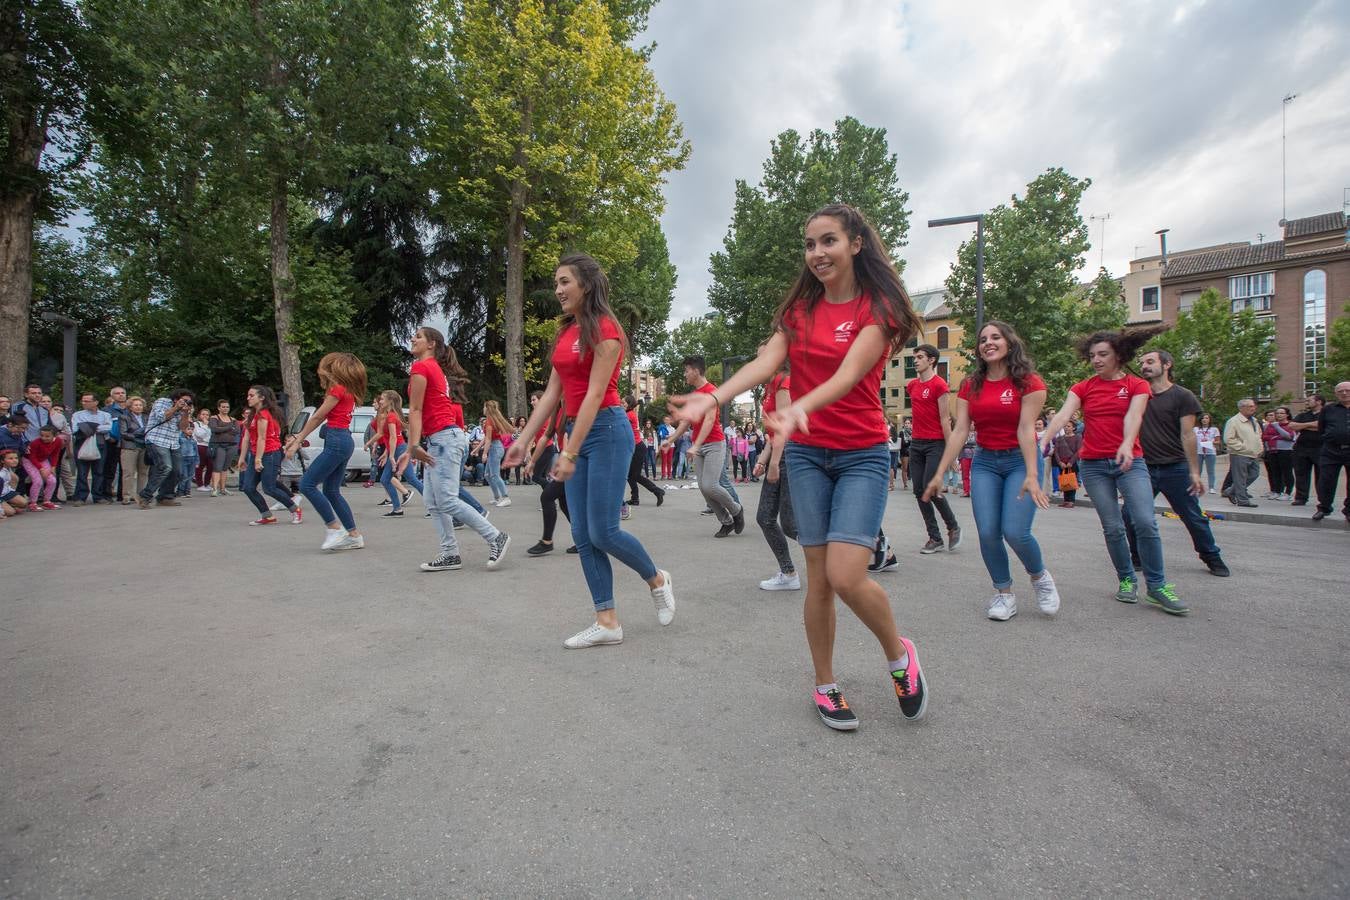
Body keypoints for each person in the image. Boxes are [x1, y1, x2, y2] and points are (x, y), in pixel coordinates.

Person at [672, 202, 928, 732]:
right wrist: (712, 398)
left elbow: (853, 372)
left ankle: (899, 655)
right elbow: (767, 363)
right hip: (809, 455)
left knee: (847, 574)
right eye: (810, 245)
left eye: (828, 241)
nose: (817, 253)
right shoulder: (798, 311)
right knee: (818, 580)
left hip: (861, 454)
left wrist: (799, 408)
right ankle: (826, 684)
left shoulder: (878, 309)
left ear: (856, 243)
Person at [503, 253, 673, 648]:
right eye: (557, 282)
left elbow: (596, 394)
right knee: (582, 533)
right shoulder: (565, 335)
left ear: (587, 285)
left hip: (608, 431)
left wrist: (570, 451)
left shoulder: (607, 329)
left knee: (604, 531)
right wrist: (524, 440)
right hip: (575, 435)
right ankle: (607, 620)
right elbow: (553, 393)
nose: (558, 290)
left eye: (565, 282)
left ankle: (658, 579)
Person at [1041, 324, 1189, 616]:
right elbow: (1062, 415)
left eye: (1103, 354)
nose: (1096, 360)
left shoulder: (1136, 385)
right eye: (1093, 355)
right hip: (1094, 466)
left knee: (1145, 521)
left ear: (1118, 356)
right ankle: (1126, 580)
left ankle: (1157, 586)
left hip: (1130, 462)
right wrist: (1044, 438)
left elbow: (1134, 416)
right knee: (1113, 527)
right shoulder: (1083, 387)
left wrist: (1125, 443)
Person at [922, 321, 1059, 621]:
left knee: (1016, 532)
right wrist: (940, 473)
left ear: (1010, 342)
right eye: (983, 339)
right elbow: (960, 431)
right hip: (985, 461)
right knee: (987, 532)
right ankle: (1004, 594)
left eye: (995, 337)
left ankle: (1040, 578)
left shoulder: (1029, 382)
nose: (988, 343)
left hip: (1019, 460)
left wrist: (1033, 476)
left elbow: (1026, 430)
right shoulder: (971, 384)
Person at [397, 327, 511, 571]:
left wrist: (413, 446)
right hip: (441, 439)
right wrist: (415, 446)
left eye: (418, 336)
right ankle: (450, 554)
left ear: (431, 345)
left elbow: (415, 410)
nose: (413, 339)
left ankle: (496, 537)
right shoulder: (432, 368)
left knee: (446, 500)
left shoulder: (421, 367)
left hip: (444, 439)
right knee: (433, 501)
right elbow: (421, 410)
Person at [1121, 350, 1230, 581]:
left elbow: (1188, 435)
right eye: (1142, 363)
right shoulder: (1138, 395)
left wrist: (1194, 472)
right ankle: (1137, 557)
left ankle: (1211, 556)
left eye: (1150, 362)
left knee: (1192, 515)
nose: (1144, 366)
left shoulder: (1183, 396)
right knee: (1129, 513)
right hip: (1144, 468)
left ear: (1167, 364)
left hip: (1175, 467)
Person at [285, 353, 367, 550]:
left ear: (333, 370)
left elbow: (317, 417)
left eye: (323, 368)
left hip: (337, 440)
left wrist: (297, 440)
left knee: (307, 484)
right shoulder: (349, 390)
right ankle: (354, 535)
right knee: (331, 490)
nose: (319, 372)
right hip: (342, 440)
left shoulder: (338, 389)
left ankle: (334, 528)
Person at [662, 356, 744, 537]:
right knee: (703, 488)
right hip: (698, 447)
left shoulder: (711, 391)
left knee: (711, 486)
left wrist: (695, 444)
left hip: (714, 444)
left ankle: (737, 510)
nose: (684, 374)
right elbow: (686, 421)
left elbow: (708, 421)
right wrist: (672, 438)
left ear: (696, 371)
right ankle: (727, 521)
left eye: (686, 370)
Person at [906, 344, 962, 553]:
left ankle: (953, 526)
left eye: (920, 357)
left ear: (931, 360)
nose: (916, 360)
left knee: (931, 487)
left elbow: (945, 420)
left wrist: (952, 454)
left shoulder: (939, 385)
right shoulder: (912, 386)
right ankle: (935, 538)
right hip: (917, 444)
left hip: (935, 443)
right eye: (915, 357)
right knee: (919, 491)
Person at [754, 364, 799, 591]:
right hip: (778, 453)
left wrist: (774, 463)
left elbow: (784, 428)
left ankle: (844, 553)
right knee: (766, 518)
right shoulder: (769, 388)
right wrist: (763, 460)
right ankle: (789, 572)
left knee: (790, 525)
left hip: (790, 454)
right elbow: (772, 436)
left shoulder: (784, 381)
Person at [239, 385, 301, 526]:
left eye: (251, 395)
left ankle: (295, 509)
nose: (248, 398)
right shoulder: (253, 415)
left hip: (270, 454)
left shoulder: (264, 415)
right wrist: (242, 458)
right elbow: (246, 438)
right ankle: (267, 516)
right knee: (248, 487)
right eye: (248, 395)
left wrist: (258, 459)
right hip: (256, 453)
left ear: (261, 398)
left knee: (269, 487)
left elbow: (262, 438)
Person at [139, 389, 195, 509]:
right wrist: (176, 408)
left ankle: (165, 497)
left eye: (189, 401)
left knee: (177, 471)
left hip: (173, 442)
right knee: (165, 467)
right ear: (177, 398)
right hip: (157, 439)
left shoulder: (185, 409)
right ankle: (145, 496)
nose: (186, 403)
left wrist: (185, 413)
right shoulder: (162, 401)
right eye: (184, 400)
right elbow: (161, 417)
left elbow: (183, 427)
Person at [372, 390, 421, 516]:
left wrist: (391, 456)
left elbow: (393, 437)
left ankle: (435, 507)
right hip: (399, 448)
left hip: (399, 449)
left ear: (390, 401)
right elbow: (390, 438)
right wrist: (386, 453)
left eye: (382, 399)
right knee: (387, 479)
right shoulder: (392, 415)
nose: (380, 401)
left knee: (410, 479)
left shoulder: (391, 416)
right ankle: (397, 508)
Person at [1312, 381, 1350, 522]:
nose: (1344, 393)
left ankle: (1349, 510)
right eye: (1341, 391)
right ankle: (1324, 508)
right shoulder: (1329, 409)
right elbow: (1321, 428)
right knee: (1326, 480)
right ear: (1336, 394)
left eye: (1347, 390)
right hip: (1331, 451)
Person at [70, 393, 113, 505]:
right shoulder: (77, 414)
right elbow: (75, 428)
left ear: (95, 402)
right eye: (83, 401)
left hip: (100, 444)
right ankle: (80, 497)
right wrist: (96, 427)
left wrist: (90, 426)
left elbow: (108, 428)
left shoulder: (105, 415)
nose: (84, 403)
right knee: (82, 472)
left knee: (99, 471)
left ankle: (98, 496)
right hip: (82, 442)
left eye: (87, 401)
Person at [1222, 399, 1263, 508]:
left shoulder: (1254, 420)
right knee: (1240, 477)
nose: (1253, 408)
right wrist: (1242, 447)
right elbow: (1228, 439)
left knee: (1254, 474)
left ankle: (1231, 491)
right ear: (1241, 408)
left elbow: (1258, 435)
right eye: (1249, 406)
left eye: (1253, 406)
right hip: (1239, 453)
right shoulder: (1234, 421)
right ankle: (1243, 500)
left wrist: (1260, 448)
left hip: (1253, 453)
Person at [624, 395, 664, 507]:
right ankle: (635, 498)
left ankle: (657, 491)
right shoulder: (630, 413)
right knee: (631, 475)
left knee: (634, 475)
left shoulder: (628, 415)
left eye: (624, 402)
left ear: (629, 404)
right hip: (636, 447)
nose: (622, 404)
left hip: (638, 448)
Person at [1288, 394, 1323, 506]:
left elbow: (1322, 425)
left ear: (1319, 402)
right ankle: (1301, 498)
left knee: (1322, 475)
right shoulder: (1303, 415)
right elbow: (1292, 426)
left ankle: (1323, 499)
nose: (1306, 402)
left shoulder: (1326, 414)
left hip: (1320, 448)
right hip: (1301, 448)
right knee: (1301, 474)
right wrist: (1310, 425)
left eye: (1309, 400)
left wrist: (1303, 426)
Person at [22, 425, 63, 509]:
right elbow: (32, 457)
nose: (44, 438)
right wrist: (41, 469)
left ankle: (47, 501)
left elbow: (55, 454)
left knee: (52, 480)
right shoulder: (35, 443)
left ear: (54, 436)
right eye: (42, 435)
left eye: (47, 436)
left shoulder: (58, 441)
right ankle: (33, 503)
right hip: (29, 460)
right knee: (38, 481)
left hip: (43, 459)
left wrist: (53, 466)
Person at [480, 399, 512, 506]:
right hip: (496, 447)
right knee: (488, 475)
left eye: (484, 406)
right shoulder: (491, 420)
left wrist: (484, 453)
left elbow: (488, 439)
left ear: (487, 408)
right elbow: (486, 438)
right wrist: (477, 449)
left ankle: (505, 498)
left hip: (495, 448)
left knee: (494, 475)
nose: (483, 409)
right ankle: (497, 497)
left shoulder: (489, 422)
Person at [208, 400, 240, 497]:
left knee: (225, 467)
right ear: (219, 408)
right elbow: (214, 429)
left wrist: (222, 429)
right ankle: (214, 489)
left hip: (231, 445)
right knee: (217, 467)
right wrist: (229, 428)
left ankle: (223, 489)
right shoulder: (214, 418)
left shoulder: (233, 419)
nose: (225, 408)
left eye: (227, 407)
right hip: (218, 445)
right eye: (223, 407)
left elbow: (237, 431)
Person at [1262, 407, 1295, 501]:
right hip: (1272, 450)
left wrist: (1277, 428)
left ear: (1287, 415)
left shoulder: (1290, 424)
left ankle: (1288, 492)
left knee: (1287, 472)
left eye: (1282, 413)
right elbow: (1264, 437)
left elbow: (1289, 436)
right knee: (1275, 472)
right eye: (1277, 413)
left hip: (1286, 450)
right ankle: (1277, 491)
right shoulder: (1269, 425)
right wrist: (1277, 437)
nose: (1279, 415)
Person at [1054, 422, 1081, 507]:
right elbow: (1056, 451)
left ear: (1073, 428)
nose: (1066, 428)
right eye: (1065, 426)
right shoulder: (1059, 438)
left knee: (1071, 481)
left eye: (1068, 426)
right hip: (1062, 463)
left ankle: (1071, 501)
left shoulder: (1078, 437)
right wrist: (1059, 462)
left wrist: (1071, 462)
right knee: (1064, 481)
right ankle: (1066, 500)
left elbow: (1079, 451)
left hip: (1072, 463)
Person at [1194, 412, 1221, 493]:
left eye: (1206, 418)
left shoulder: (1214, 429)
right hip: (1199, 452)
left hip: (1210, 452)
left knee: (1211, 470)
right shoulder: (1195, 429)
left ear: (1209, 420)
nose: (1204, 420)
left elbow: (1218, 441)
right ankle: (1197, 487)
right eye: (1203, 418)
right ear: (1200, 420)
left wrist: (1210, 442)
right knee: (1198, 471)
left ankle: (1211, 487)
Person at [1, 449, 28, 517]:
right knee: (10, 512)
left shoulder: (8, 468)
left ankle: (7, 504)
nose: (15, 460)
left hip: (6, 492)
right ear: (2, 460)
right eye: (10, 458)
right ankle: (5, 506)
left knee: (24, 503)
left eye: (16, 458)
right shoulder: (1, 473)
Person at [191, 408, 213, 491]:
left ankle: (207, 483)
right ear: (199, 415)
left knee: (210, 466)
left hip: (210, 446)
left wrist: (207, 427)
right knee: (200, 465)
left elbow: (212, 435)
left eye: (207, 415)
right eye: (203, 414)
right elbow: (199, 435)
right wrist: (205, 426)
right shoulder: (196, 424)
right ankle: (200, 484)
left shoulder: (211, 424)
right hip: (200, 446)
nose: (205, 416)